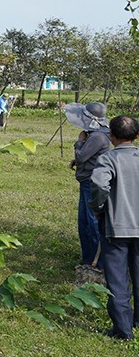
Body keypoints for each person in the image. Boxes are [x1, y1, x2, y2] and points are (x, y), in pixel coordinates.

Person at [89, 115, 139, 340]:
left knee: (118, 280)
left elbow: (99, 184)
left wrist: (98, 207)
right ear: (137, 136)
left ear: (111, 135)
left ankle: (123, 330)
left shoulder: (108, 159)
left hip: (116, 227)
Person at [68, 102, 112, 268]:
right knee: (84, 221)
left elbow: (82, 157)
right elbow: (90, 157)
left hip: (91, 183)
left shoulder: (97, 137)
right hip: (87, 181)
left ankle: (97, 262)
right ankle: (87, 258)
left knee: (91, 222)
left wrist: (79, 143)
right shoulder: (96, 135)